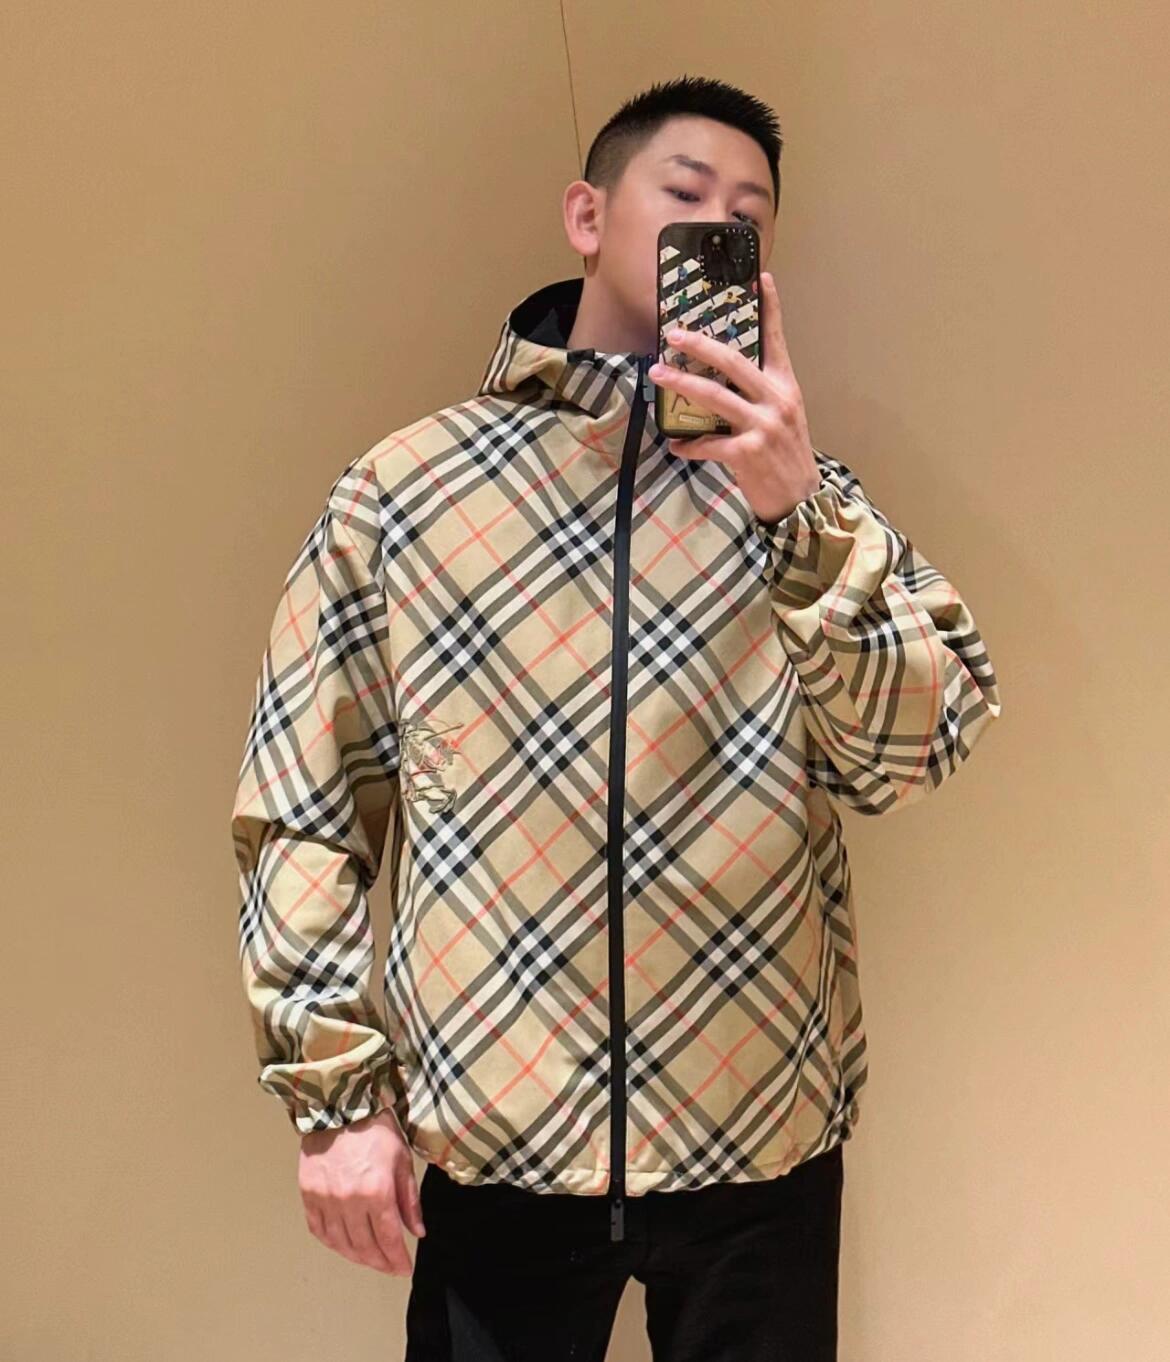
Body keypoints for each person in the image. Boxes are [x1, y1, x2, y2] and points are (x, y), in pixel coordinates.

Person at [230, 74, 1002, 1361]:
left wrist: (795, 509)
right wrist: (336, 1100)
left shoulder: (802, 503)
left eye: (747, 217)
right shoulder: (406, 494)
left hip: (758, 1135)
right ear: (588, 217)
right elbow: (303, 805)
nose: (717, 227)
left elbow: (909, 753)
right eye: (686, 195)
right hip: (498, 1140)